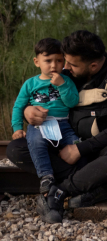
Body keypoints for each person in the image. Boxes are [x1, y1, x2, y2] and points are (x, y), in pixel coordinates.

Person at [6, 30, 107, 223]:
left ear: (93, 65)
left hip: (98, 153)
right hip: (66, 151)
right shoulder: (65, 74)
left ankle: (61, 190)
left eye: (71, 64)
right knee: (17, 149)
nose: (65, 67)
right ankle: (94, 184)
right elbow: (38, 96)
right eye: (64, 61)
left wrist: (80, 148)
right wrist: (28, 111)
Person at [11, 38, 79, 194]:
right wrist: (17, 128)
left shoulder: (67, 81)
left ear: (64, 61)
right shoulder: (30, 84)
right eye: (48, 60)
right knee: (36, 143)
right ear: (37, 62)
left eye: (59, 60)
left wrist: (61, 85)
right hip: (39, 125)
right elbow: (18, 106)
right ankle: (46, 176)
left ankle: (82, 173)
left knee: (76, 144)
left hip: (63, 124)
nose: (54, 65)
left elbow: (72, 102)